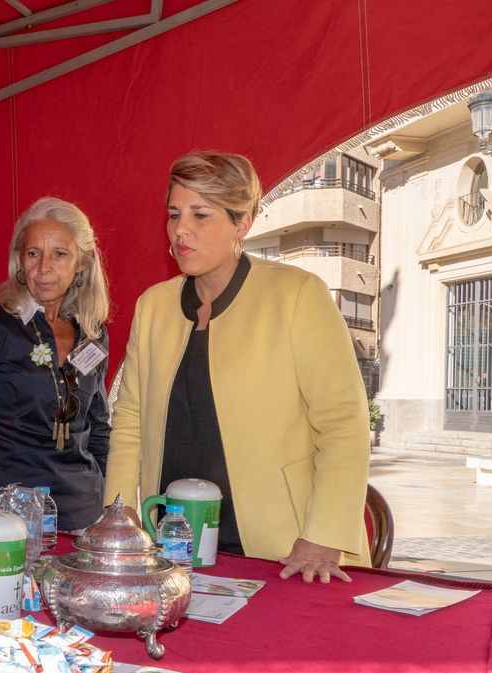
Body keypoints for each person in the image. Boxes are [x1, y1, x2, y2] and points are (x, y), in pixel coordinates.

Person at [106, 151, 370, 583]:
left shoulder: (298, 294)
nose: (180, 230)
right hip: (171, 547)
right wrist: (120, 512)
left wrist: (323, 535)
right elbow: (130, 418)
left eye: (200, 215)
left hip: (286, 550)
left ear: (242, 222)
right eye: (174, 214)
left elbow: (344, 422)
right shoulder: (152, 306)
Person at [0, 197, 112, 531]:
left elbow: (99, 428)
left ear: (81, 263)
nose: (44, 268)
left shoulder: (93, 336)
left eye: (60, 254)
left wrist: (108, 504)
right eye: (33, 253)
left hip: (86, 514)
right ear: (19, 262)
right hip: (13, 515)